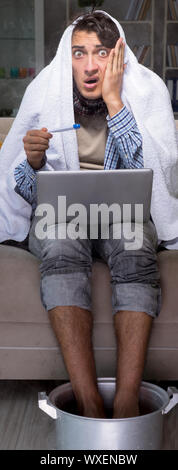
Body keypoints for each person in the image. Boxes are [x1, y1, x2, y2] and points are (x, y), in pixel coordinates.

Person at [0, 11, 177, 418]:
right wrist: (33, 161)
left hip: (126, 213)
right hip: (63, 215)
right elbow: (27, 193)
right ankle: (88, 400)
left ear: (119, 57)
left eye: (101, 53)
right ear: (68, 56)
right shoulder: (46, 93)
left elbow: (153, 174)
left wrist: (116, 101)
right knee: (61, 243)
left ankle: (130, 398)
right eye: (80, 53)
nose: (91, 65)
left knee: (135, 249)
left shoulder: (145, 92)